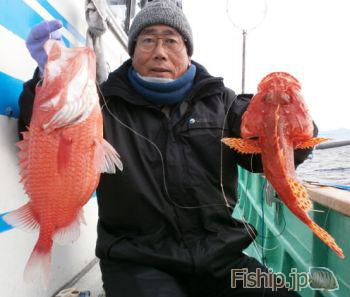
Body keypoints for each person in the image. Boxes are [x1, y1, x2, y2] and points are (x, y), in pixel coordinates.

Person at [19, 1, 314, 296]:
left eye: (171, 41)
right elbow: (48, 130)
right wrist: (46, 77)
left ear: (187, 52)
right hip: (137, 261)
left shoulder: (222, 101)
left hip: (222, 260)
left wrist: (295, 125)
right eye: (148, 40)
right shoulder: (101, 104)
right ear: (132, 52)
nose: (159, 51)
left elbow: (266, 155)